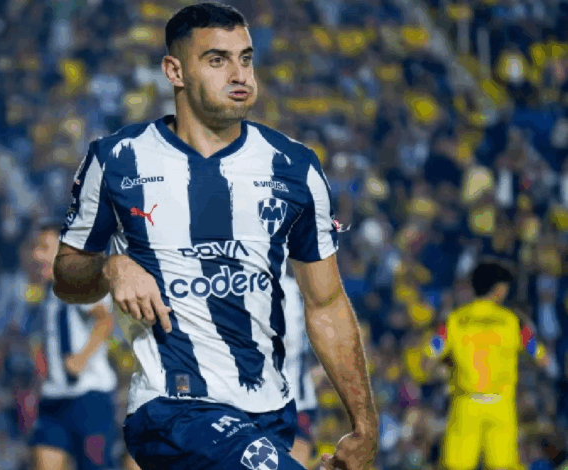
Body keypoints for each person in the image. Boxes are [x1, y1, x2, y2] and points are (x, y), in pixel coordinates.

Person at [52, 3, 379, 470]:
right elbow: (66, 277)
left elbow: (325, 304)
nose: (239, 74)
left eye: (245, 58)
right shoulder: (117, 160)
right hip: (172, 410)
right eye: (217, 60)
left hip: (269, 414)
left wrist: (364, 426)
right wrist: (111, 266)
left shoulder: (294, 167)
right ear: (175, 71)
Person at [420, 260, 551, 470]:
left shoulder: (453, 320)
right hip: (501, 406)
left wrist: (447, 367)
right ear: (499, 289)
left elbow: (427, 360)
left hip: (466, 405)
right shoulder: (515, 322)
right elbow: (542, 358)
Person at [29, 224, 119, 470]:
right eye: (35, 248)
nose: (37, 255)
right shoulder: (48, 293)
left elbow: (104, 319)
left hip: (89, 399)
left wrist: (81, 358)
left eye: (44, 248)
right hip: (54, 399)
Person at [281, 268, 320, 468]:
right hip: (292, 399)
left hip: (296, 401)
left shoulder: (291, 290)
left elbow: (290, 347)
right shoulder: (295, 290)